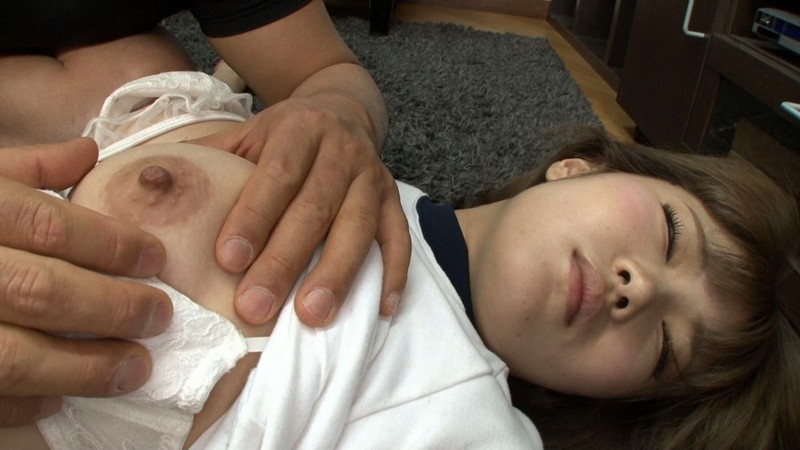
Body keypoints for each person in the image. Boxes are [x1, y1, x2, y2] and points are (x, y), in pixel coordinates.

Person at [4, 69, 799, 449]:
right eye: (671, 236)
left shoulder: (463, 415)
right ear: (582, 165)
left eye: (664, 347)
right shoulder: (384, 185)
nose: (639, 289)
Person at [0, 0, 411, 426]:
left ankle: (224, 86)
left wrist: (343, 113)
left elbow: (324, 71)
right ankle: (226, 81)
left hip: (336, 214)